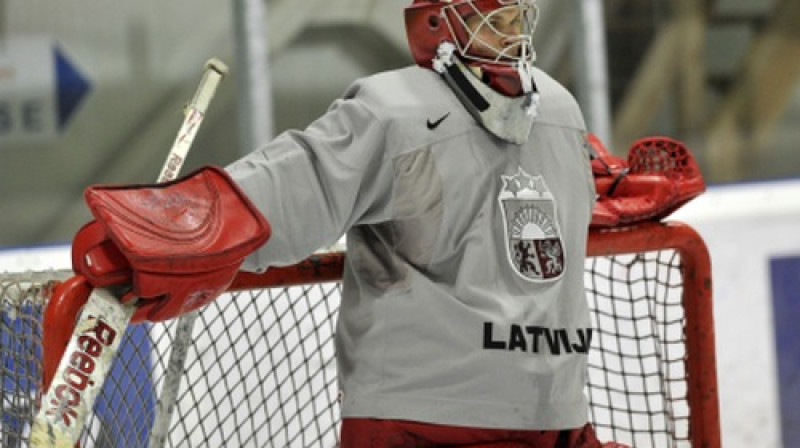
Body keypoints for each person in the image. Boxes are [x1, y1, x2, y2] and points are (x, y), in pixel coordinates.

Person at [63, 0, 630, 446]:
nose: (512, 37)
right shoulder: (399, 111)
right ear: (437, 26)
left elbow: (565, 190)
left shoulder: (557, 110)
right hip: (424, 422)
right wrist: (172, 230)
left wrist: (616, 184)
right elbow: (300, 183)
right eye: (493, 21)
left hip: (552, 413)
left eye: (516, 19)